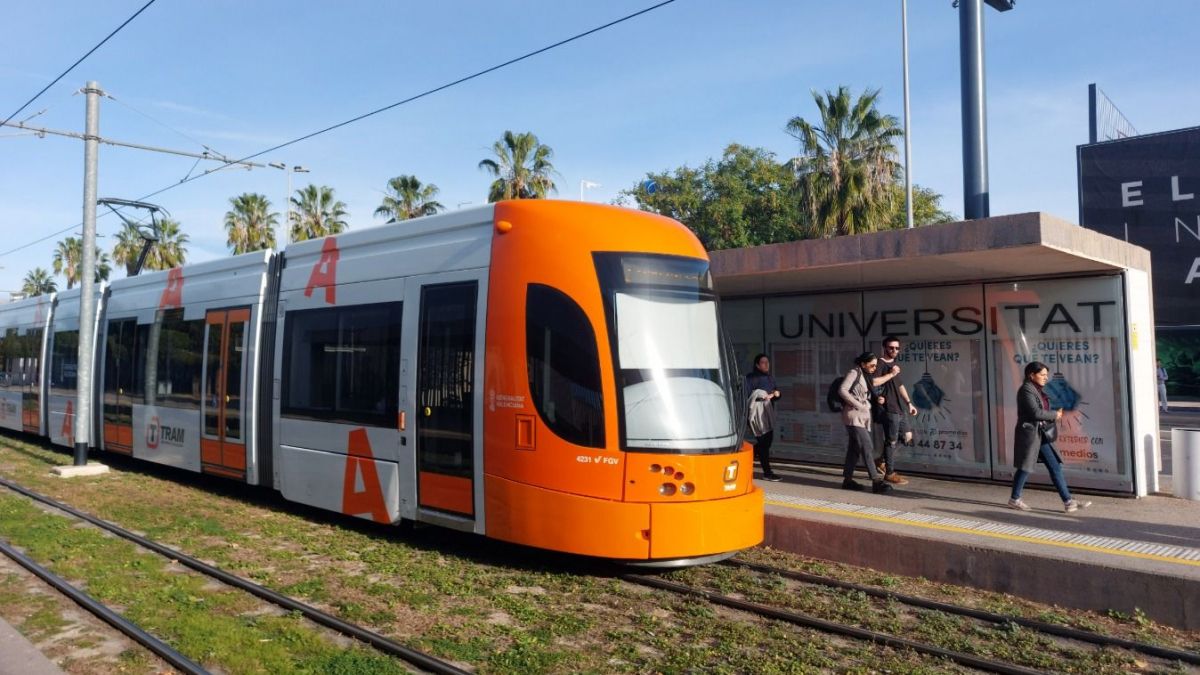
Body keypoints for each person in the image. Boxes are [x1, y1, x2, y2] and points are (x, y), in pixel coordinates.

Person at [1008, 361, 1091, 513]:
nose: (1046, 378)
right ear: (1031, 375)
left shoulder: (1037, 389)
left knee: (1054, 467)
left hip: (1042, 434)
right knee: (1025, 468)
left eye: (1047, 375)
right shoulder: (1026, 390)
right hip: (1031, 435)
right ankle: (1015, 499)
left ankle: (1068, 501)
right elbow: (1035, 413)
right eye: (1042, 375)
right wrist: (1056, 415)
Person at [838, 352, 898, 494]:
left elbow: (874, 385)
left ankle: (847, 480)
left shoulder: (867, 376)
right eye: (871, 365)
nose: (874, 368)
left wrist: (877, 399)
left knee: (855, 448)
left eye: (875, 366)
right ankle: (876, 481)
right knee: (867, 445)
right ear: (863, 364)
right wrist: (858, 404)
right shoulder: (854, 372)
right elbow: (842, 390)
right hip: (853, 415)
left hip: (863, 416)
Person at [873, 335, 918, 485]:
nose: (894, 350)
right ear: (884, 348)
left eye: (897, 348)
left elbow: (900, 386)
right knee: (891, 441)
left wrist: (909, 403)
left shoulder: (894, 364)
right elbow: (874, 382)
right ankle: (889, 473)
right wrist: (891, 373)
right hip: (889, 409)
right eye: (891, 347)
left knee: (907, 437)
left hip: (899, 408)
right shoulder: (879, 363)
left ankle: (881, 460)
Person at [745, 353, 782, 481]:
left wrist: (776, 394)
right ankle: (767, 472)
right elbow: (747, 397)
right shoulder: (751, 378)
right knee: (764, 442)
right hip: (757, 415)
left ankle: (745, 462)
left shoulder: (769, 378)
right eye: (763, 362)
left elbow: (776, 392)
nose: (767, 364)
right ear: (757, 365)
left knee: (765, 443)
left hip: (768, 414)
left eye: (768, 362)